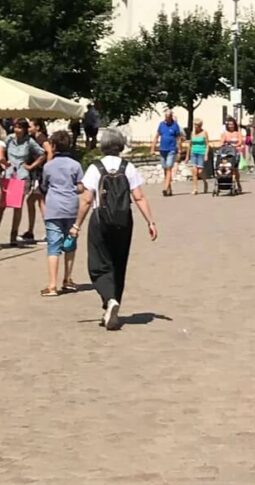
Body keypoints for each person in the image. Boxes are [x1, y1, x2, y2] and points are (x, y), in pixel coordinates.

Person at [75, 127, 156, 330]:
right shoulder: (128, 167)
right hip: (124, 220)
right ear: (120, 146)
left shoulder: (95, 167)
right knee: (119, 262)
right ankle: (112, 306)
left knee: (98, 263)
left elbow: (86, 199)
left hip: (100, 220)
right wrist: (150, 222)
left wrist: (77, 224)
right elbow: (138, 196)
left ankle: (109, 299)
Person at [39, 129, 85, 296]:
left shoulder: (48, 166)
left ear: (54, 145)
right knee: (70, 244)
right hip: (71, 207)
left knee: (53, 247)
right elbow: (81, 187)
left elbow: (44, 185)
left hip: (53, 208)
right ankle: (68, 279)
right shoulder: (75, 165)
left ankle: (52, 285)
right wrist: (72, 188)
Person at [2, 118, 43, 245]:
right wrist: (3, 162)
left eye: (20, 127)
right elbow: (1, 151)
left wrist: (31, 166)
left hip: (22, 176)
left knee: (17, 207)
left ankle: (13, 235)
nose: (17, 130)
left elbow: (43, 154)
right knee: (1, 206)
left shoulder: (29, 142)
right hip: (8, 174)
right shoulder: (9, 139)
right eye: (15, 127)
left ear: (25, 129)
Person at [154, 109, 182, 198]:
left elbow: (178, 138)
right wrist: (153, 147)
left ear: (171, 116)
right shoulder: (161, 124)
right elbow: (157, 136)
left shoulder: (175, 125)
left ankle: (165, 188)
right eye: (166, 117)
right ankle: (169, 189)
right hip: (162, 149)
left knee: (169, 167)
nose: (167, 118)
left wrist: (180, 149)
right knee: (165, 169)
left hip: (171, 149)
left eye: (168, 117)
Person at [188, 118, 209, 194]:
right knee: (194, 171)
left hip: (201, 153)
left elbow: (207, 145)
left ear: (200, 126)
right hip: (193, 153)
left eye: (197, 126)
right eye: (195, 125)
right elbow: (190, 144)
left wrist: (206, 154)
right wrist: (187, 156)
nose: (196, 127)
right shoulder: (192, 133)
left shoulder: (204, 133)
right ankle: (195, 189)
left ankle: (205, 181)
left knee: (200, 172)